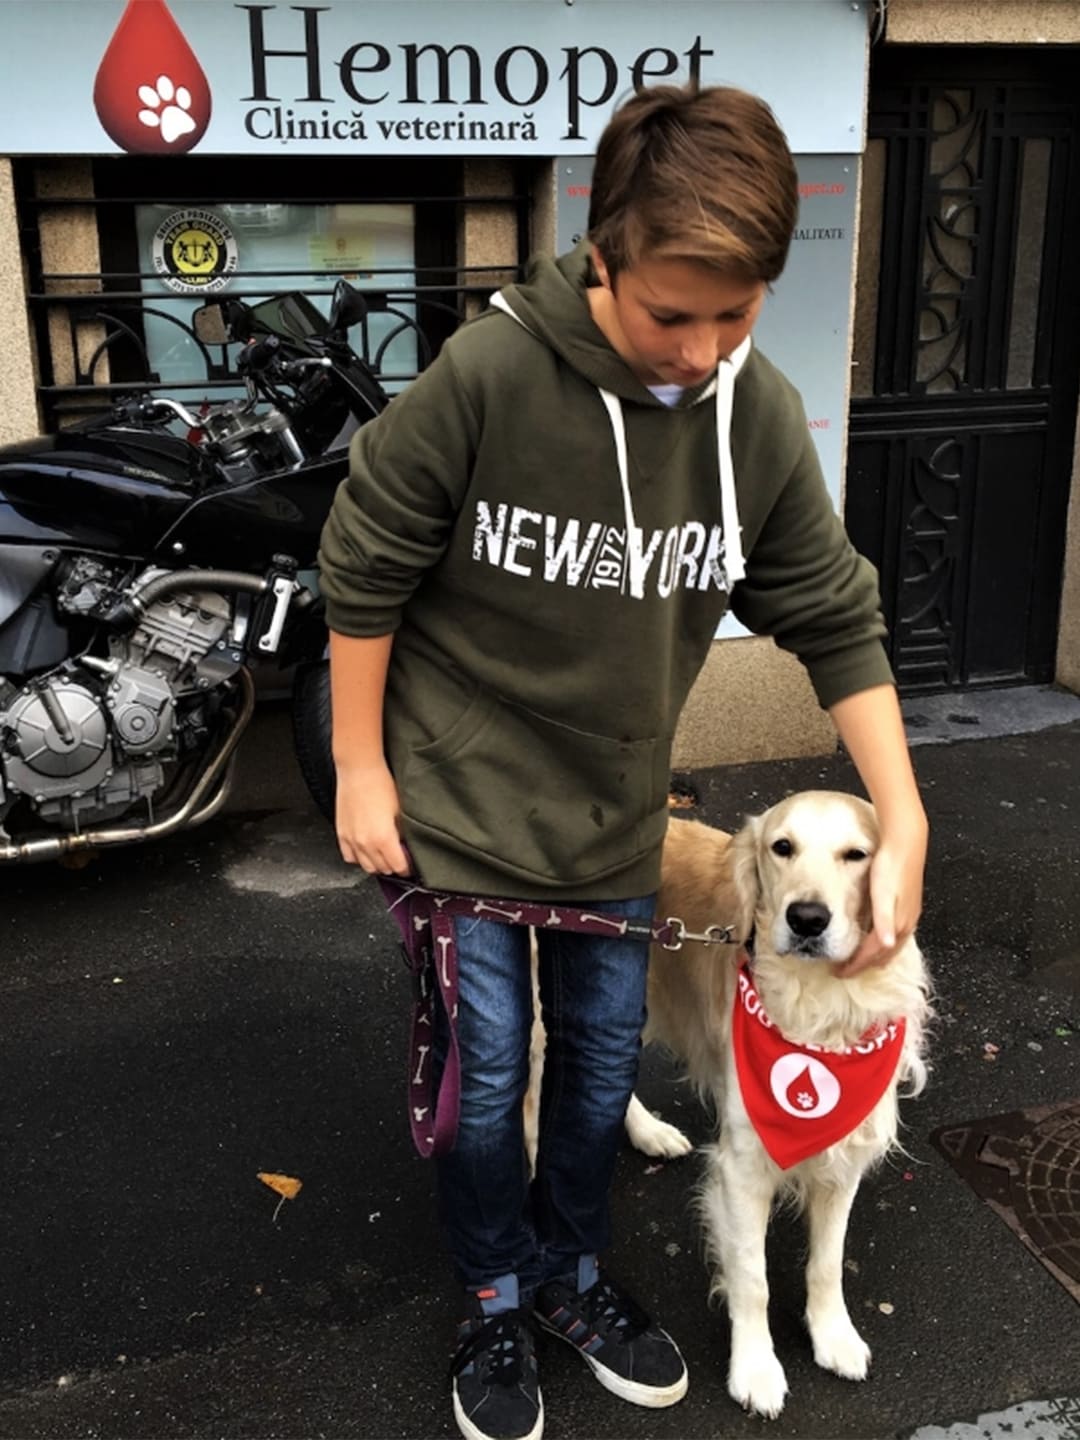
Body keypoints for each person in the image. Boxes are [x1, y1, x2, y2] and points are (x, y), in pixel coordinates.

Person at [318, 82, 928, 1440]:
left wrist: (905, 812)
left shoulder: (752, 415)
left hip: (615, 817)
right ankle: (495, 1294)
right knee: (490, 1085)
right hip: (461, 804)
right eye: (671, 314)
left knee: (598, 1074)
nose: (702, 350)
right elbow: (363, 558)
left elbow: (833, 612)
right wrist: (360, 765)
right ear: (601, 258)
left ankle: (573, 1275)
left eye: (737, 314)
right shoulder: (489, 376)